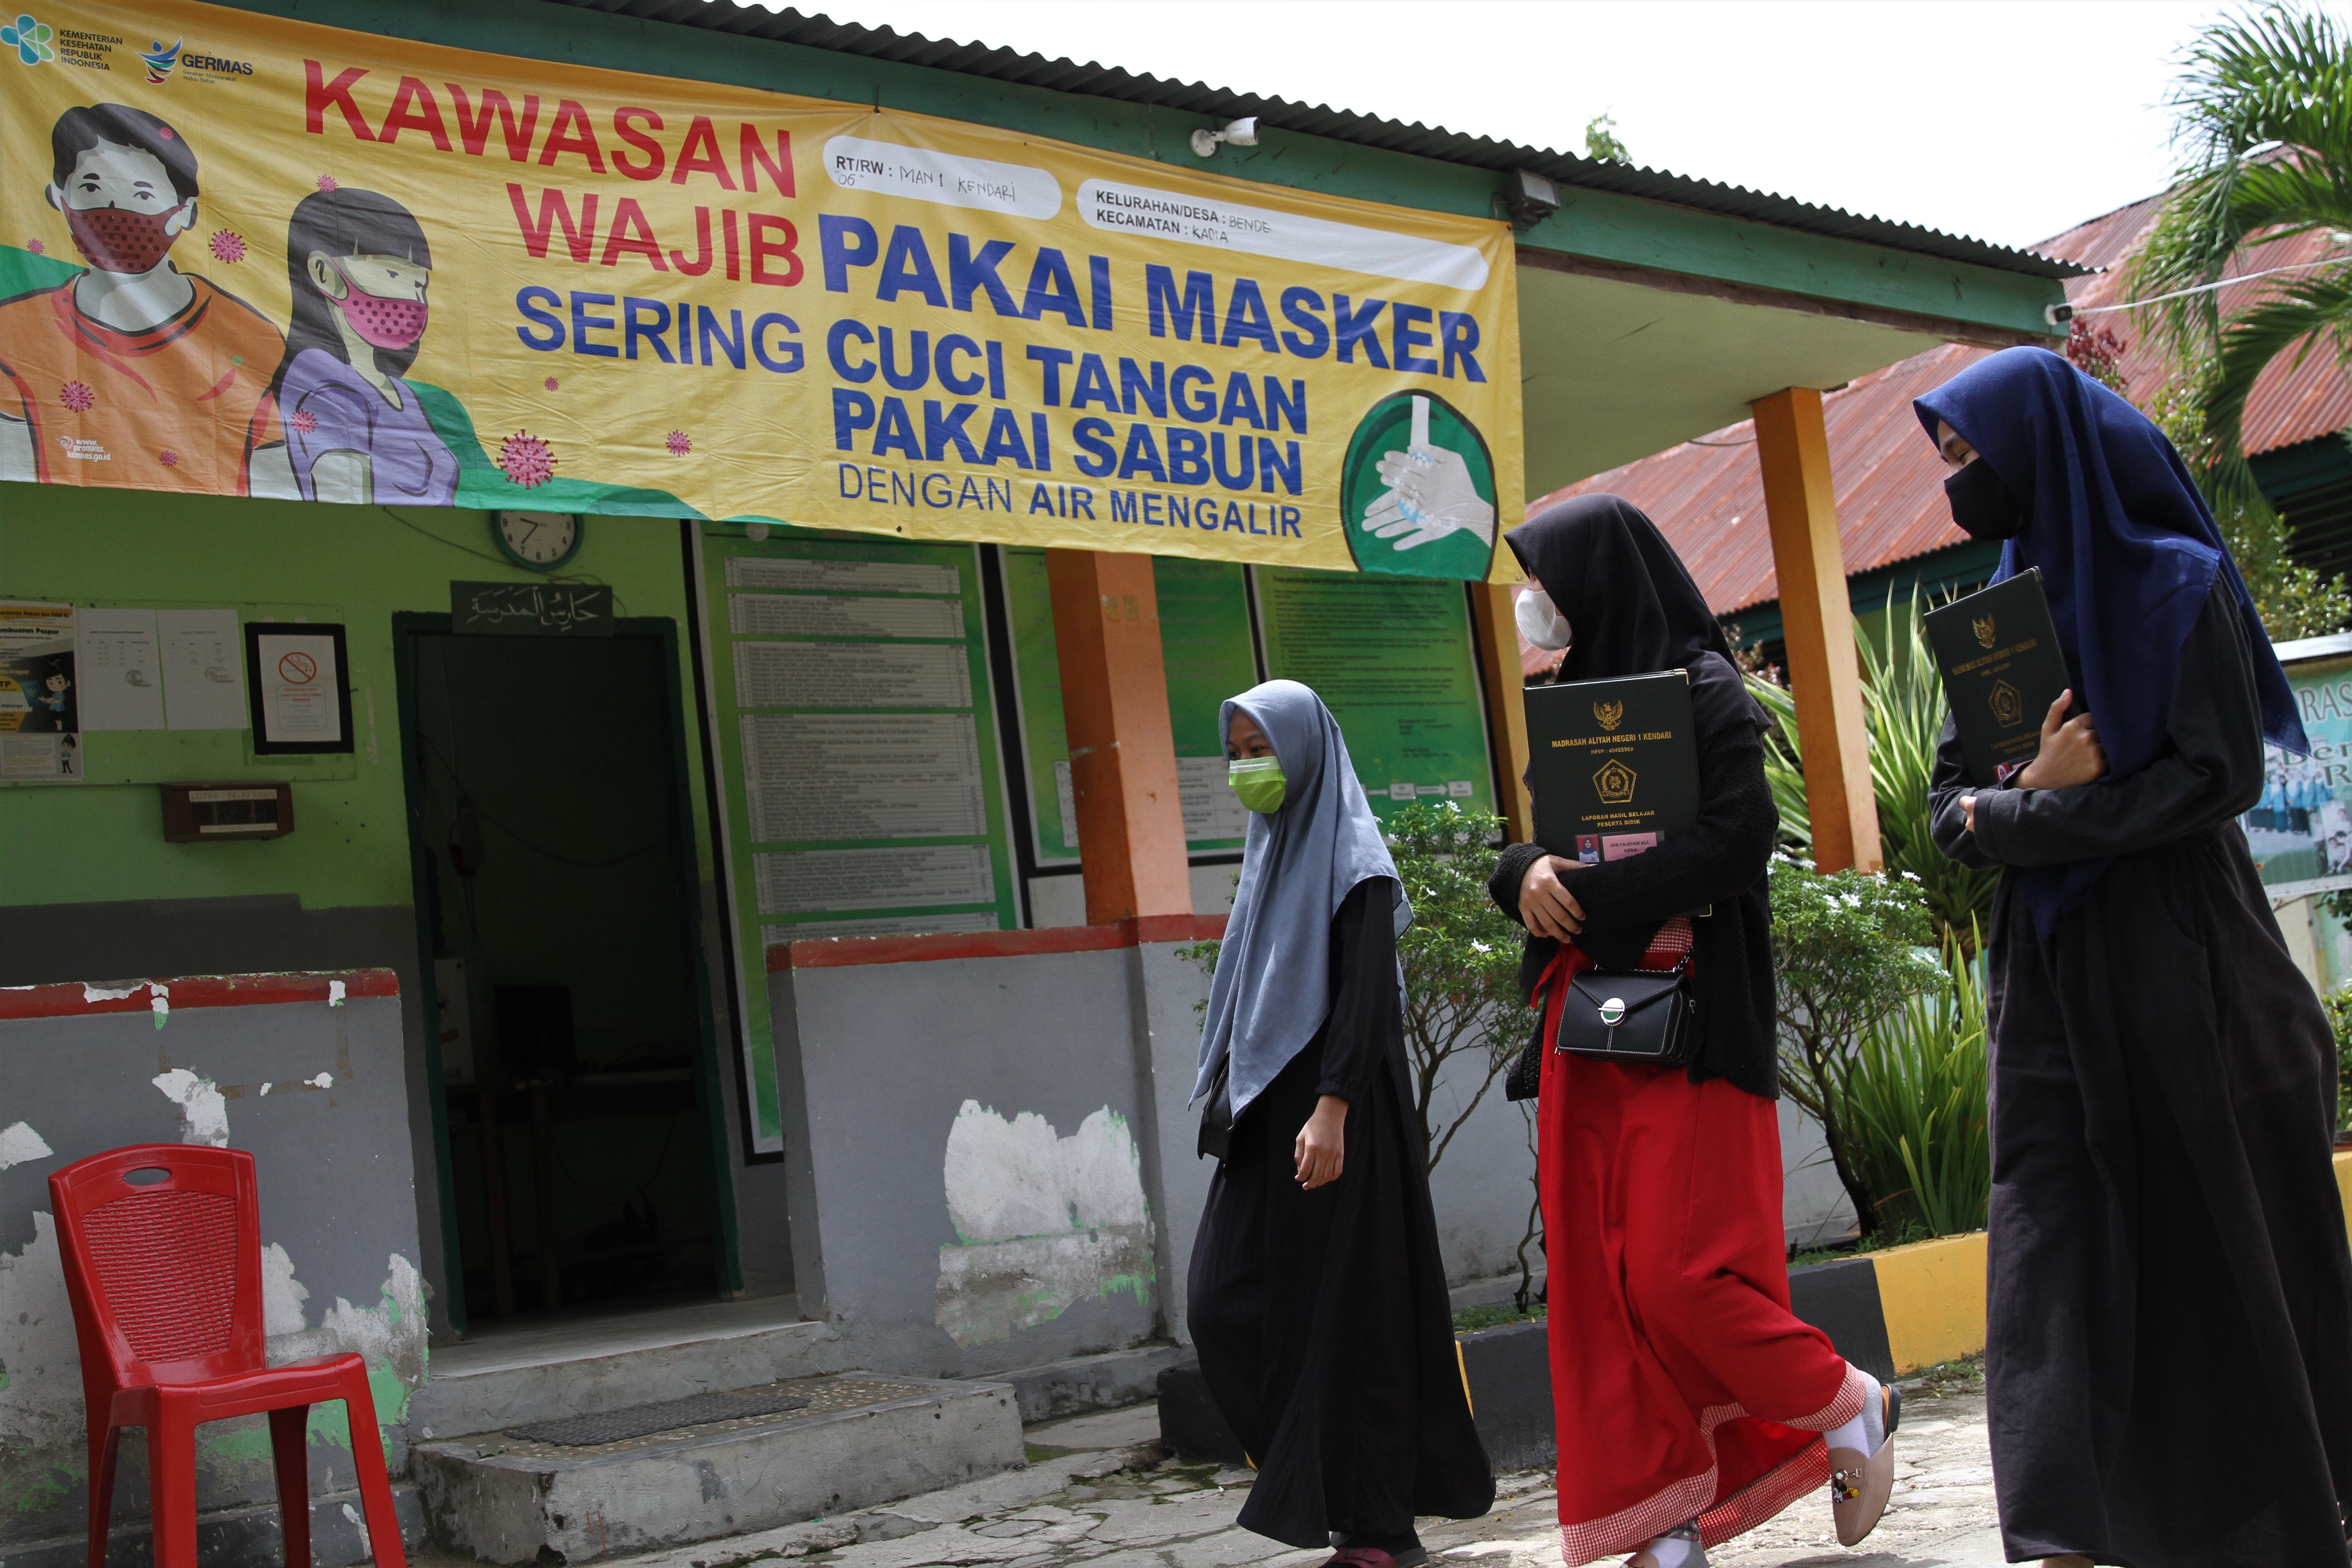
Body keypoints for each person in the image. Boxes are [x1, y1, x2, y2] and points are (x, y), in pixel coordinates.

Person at [1920, 346, 2352, 1566]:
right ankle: (2058, 1530)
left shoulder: (2177, 585)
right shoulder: (1996, 622)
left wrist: (2028, 815)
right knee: (2043, 1230)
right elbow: (1949, 808)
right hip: (2046, 975)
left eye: (1969, 454)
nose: (1959, 481)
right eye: (1947, 458)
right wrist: (2031, 804)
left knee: (2220, 1228)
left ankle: (2277, 1512)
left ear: (2041, 450)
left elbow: (2216, 776)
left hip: (2185, 956)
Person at [1488, 495, 1897, 1568]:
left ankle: (1842, 1397)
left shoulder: (1707, 688)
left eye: (1544, 578)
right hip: (1588, 1028)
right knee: (1603, 1287)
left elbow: (1736, 840)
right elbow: (1532, 842)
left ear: (1598, 578)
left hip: (1689, 1024)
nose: (1533, 600)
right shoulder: (1569, 701)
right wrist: (1522, 872)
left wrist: (1585, 892)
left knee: (1679, 1276)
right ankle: (1664, 1526)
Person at [1187, 678, 1493, 1568]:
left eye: (1262, 751)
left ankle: (1379, 1531)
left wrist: (1333, 1108)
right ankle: (1330, 1490)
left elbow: (1364, 998)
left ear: (1305, 753)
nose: (1248, 769)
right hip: (1267, 1114)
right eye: (1236, 754)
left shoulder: (1354, 859)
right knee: (1221, 1304)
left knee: (1358, 1318)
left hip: (1337, 1111)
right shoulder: (1271, 852)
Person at [0, 103, 283, 493]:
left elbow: (276, 475)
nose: (115, 209)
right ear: (59, 199)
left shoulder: (254, 337)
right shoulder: (15, 332)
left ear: (185, 212)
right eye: (92, 188)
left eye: (143, 193)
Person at [267, 187, 458, 505]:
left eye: (419, 285)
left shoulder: (403, 394)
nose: (413, 300)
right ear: (324, 273)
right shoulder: (322, 383)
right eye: (393, 274)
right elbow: (342, 493)